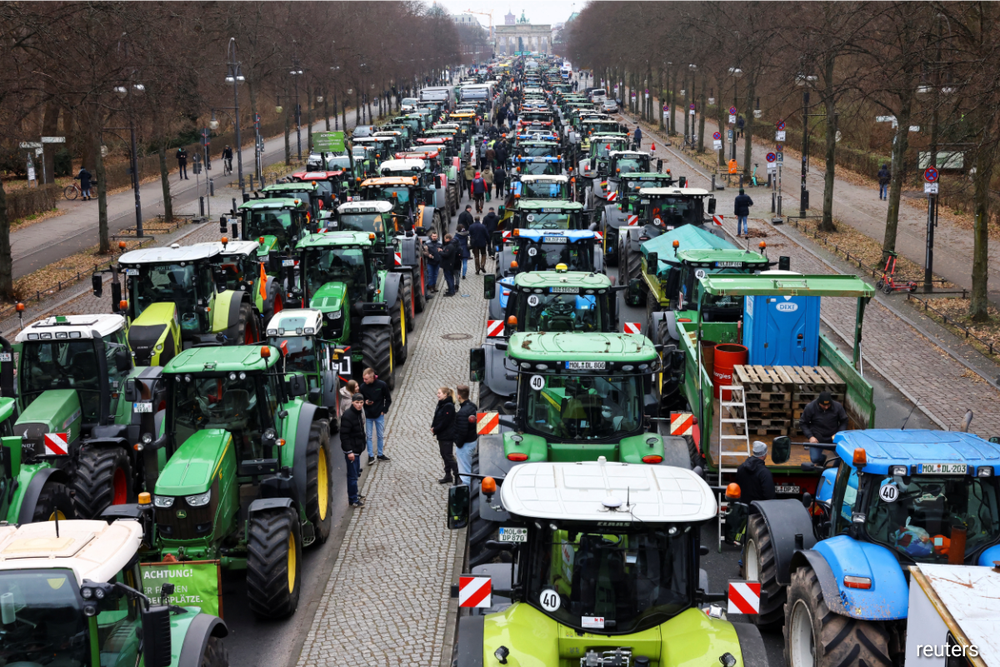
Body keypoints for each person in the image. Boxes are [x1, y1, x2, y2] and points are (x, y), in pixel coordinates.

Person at [729, 441, 775, 545]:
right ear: (764, 454)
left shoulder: (741, 468)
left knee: (745, 540)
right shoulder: (764, 473)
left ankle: (742, 559)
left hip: (744, 511)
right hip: (759, 514)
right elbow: (769, 496)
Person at [799, 390, 848, 464]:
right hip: (817, 438)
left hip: (833, 439)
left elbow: (844, 420)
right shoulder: (810, 407)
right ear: (819, 402)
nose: (826, 407)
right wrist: (810, 436)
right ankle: (822, 459)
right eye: (823, 405)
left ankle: (835, 472)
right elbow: (803, 423)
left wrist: (838, 434)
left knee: (841, 457)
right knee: (815, 459)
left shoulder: (837, 406)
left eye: (828, 405)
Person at [340, 393, 368, 508]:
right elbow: (344, 436)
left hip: (357, 449)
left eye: (361, 403)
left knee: (355, 474)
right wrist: (349, 451)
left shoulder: (358, 413)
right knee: (352, 476)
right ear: (352, 402)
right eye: (357, 402)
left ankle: (355, 494)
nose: (359, 405)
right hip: (352, 451)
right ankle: (353, 499)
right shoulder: (348, 416)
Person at [360, 367, 392, 465]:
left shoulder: (382, 385)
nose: (364, 381)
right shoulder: (362, 387)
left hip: (379, 414)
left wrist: (384, 410)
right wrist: (365, 403)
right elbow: (359, 401)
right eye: (363, 379)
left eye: (366, 379)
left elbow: (388, 398)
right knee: (369, 436)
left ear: (372, 377)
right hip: (369, 415)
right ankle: (370, 456)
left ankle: (380, 454)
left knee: (380, 435)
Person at [431, 387, 459, 484]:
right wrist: (433, 426)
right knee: (444, 455)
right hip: (442, 434)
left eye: (439, 393)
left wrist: (436, 428)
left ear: (445, 395)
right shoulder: (441, 404)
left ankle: (457, 475)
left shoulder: (448, 406)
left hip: (447, 435)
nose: (437, 395)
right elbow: (437, 417)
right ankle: (448, 475)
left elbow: (445, 422)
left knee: (448, 455)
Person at [453, 385, 478, 486]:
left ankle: (467, 493)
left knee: (465, 473)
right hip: (473, 441)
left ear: (459, 396)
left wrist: (458, 444)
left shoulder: (462, 413)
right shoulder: (473, 407)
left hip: (465, 445)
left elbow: (463, 432)